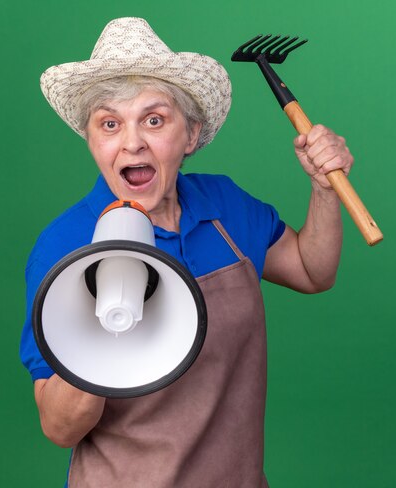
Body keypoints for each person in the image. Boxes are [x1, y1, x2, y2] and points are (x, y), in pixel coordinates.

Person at [20, 17, 353, 487]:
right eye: (110, 124)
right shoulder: (65, 246)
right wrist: (97, 332)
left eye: (153, 120)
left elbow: (311, 271)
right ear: (92, 140)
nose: (132, 141)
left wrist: (323, 188)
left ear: (191, 135)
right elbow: (58, 428)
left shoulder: (224, 206)